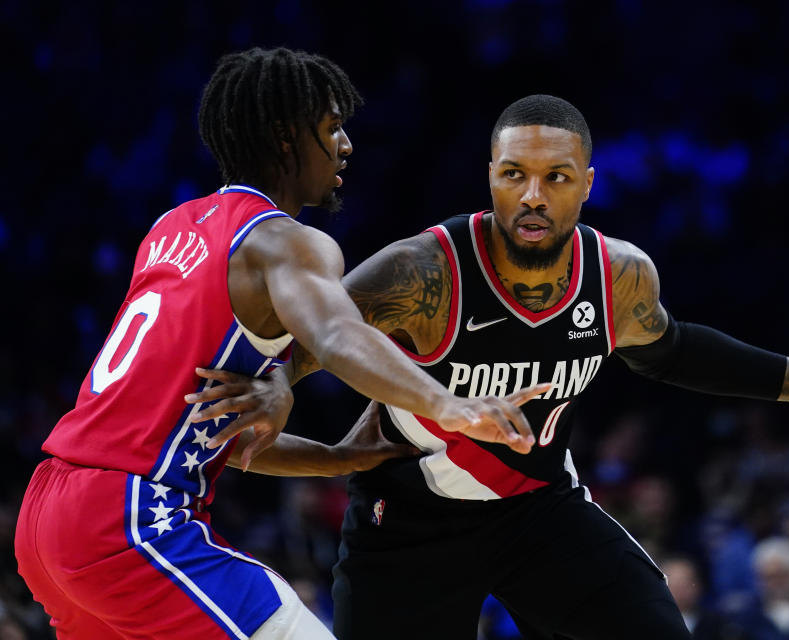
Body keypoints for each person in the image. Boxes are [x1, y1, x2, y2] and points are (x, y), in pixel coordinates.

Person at [205, 94, 789, 639]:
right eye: (514, 175)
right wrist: (273, 383)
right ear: (491, 178)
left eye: (555, 177)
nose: (533, 196)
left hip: (539, 510)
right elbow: (319, 333)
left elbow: (674, 350)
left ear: (587, 184)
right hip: (408, 523)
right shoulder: (424, 272)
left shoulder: (618, 277)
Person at [14, 48, 543, 640]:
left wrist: (339, 458)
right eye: (332, 127)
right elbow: (340, 335)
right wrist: (450, 405)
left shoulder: (172, 227)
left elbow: (210, 429)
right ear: (286, 137)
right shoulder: (286, 243)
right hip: (131, 519)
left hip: (49, 515)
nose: (346, 145)